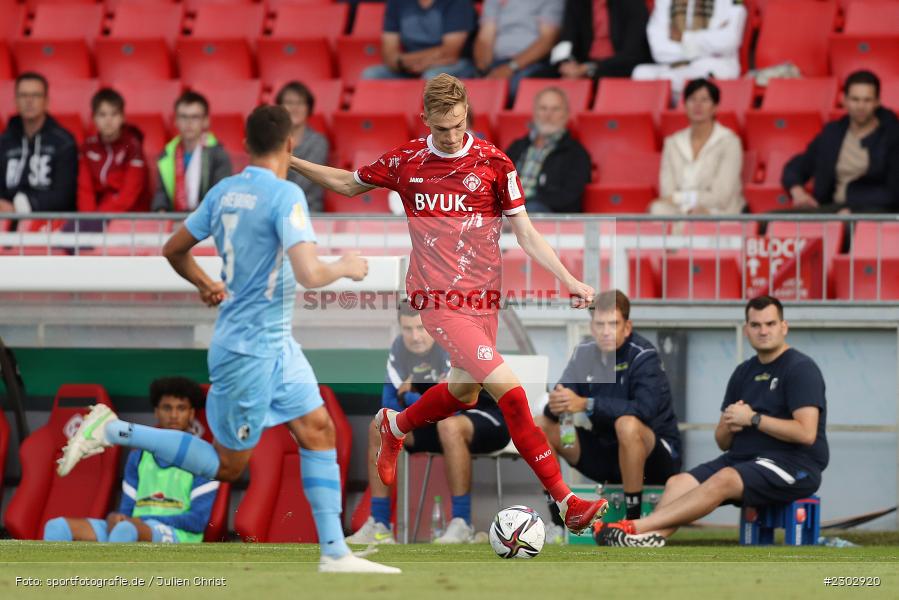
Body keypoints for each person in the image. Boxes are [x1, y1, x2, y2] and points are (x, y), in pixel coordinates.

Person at [57, 105, 398, 574]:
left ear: (245, 144)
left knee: (319, 429)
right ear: (290, 145)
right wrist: (347, 266)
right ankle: (113, 430)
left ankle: (335, 554)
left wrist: (203, 282)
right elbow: (310, 273)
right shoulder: (286, 196)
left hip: (276, 343)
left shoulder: (224, 191)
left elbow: (173, 248)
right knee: (228, 467)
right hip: (248, 351)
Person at [287, 73, 609, 534]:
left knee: (464, 393)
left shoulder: (495, 163)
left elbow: (527, 233)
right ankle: (566, 501)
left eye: (459, 125)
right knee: (514, 396)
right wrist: (292, 161)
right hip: (437, 300)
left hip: (484, 303)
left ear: (467, 114)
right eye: (443, 129)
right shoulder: (408, 161)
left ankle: (396, 427)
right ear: (426, 121)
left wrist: (570, 279)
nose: (453, 136)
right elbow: (348, 183)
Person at [595, 296, 829, 547]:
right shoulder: (743, 372)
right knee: (677, 483)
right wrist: (729, 424)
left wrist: (754, 419)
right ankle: (649, 540)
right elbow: (722, 441)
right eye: (756, 325)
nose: (763, 331)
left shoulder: (800, 368)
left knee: (726, 477)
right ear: (747, 329)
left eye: (770, 324)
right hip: (742, 459)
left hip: (792, 464)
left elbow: (806, 433)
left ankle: (635, 526)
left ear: (784, 327)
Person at [347, 302, 511, 545]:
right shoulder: (398, 349)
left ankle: (462, 523)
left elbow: (451, 405)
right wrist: (410, 398)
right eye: (408, 329)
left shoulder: (452, 344)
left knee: (449, 425)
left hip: (488, 418)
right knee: (378, 426)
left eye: (421, 328)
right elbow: (388, 403)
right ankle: (379, 525)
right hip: (437, 422)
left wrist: (409, 394)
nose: (415, 337)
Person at [537, 290, 681, 524]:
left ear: (627, 326)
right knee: (541, 426)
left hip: (655, 458)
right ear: (592, 327)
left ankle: (632, 523)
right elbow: (561, 399)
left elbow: (645, 410)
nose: (605, 332)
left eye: (613, 324)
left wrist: (586, 404)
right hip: (606, 454)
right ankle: (559, 521)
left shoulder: (644, 356)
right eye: (600, 324)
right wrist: (558, 402)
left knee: (627, 424)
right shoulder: (584, 354)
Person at [44, 378, 216, 544]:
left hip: (178, 534)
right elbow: (126, 511)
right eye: (167, 408)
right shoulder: (139, 456)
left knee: (125, 530)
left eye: (181, 408)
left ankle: (115, 574)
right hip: (133, 527)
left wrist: (139, 520)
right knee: (57, 527)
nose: (173, 415)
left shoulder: (203, 457)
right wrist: (116, 517)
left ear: (191, 413)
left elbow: (197, 521)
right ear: (156, 411)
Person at [782, 70, 899, 214]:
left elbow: (893, 192)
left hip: (873, 213)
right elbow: (797, 166)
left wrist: (855, 210)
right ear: (844, 100)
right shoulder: (832, 133)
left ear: (877, 102)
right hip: (830, 208)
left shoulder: (892, 136)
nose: (860, 106)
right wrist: (797, 191)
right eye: (855, 99)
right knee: (767, 221)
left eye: (867, 100)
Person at [650, 78, 744, 215]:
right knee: (657, 209)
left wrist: (681, 198)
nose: (698, 105)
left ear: (715, 107)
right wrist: (683, 204)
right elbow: (667, 192)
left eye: (705, 100)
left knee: (698, 216)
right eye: (692, 99)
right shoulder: (672, 142)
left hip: (717, 212)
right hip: (680, 210)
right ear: (685, 105)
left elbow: (721, 196)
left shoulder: (729, 142)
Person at [632, 0, 746, 98]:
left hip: (714, 64)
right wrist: (706, 46)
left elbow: (729, 41)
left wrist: (683, 38)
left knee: (668, 79)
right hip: (675, 64)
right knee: (640, 73)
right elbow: (659, 50)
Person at [0, 72, 77, 215]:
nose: (29, 101)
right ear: (15, 100)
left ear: (46, 101)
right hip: (5, 222)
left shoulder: (63, 142)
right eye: (23, 95)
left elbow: (65, 196)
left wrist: (22, 205)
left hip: (49, 223)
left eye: (35, 95)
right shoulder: (4, 142)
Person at [505, 87, 591, 213]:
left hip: (544, 215)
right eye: (543, 108)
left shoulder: (576, 153)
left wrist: (525, 204)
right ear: (534, 113)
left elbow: (568, 198)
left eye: (555, 109)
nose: (548, 114)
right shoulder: (517, 146)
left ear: (566, 114)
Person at [151, 91, 232, 212]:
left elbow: (219, 197)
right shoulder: (166, 155)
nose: (189, 123)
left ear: (206, 121)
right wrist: (160, 212)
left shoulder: (219, 155)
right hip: (174, 222)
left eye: (195, 117)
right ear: (175, 121)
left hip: (206, 224)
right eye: (183, 117)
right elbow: (161, 194)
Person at [362, 0, 477, 81]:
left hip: (455, 65)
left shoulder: (458, 2)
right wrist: (405, 63)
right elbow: (388, 53)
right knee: (371, 75)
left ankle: (430, 116)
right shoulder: (396, 2)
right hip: (408, 67)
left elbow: (450, 53)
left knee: (432, 77)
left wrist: (404, 60)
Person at [473, 0, 565, 101]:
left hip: (532, 63)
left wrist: (511, 67)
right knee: (469, 90)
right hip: (497, 62)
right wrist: (483, 71)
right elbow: (485, 38)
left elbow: (547, 40)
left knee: (512, 89)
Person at [77, 88, 150, 213]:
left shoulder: (133, 146)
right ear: (94, 118)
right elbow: (85, 190)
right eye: (102, 115)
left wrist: (99, 219)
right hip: (94, 217)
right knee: (64, 231)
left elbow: (129, 194)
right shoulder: (88, 147)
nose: (108, 120)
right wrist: (88, 219)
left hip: (129, 216)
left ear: (122, 117)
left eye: (114, 114)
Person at [549, 0, 651, 81]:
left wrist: (589, 68)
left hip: (619, 66)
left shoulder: (631, 3)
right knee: (541, 75)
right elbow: (567, 40)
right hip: (583, 65)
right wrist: (567, 65)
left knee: (606, 73)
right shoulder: (576, 2)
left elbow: (634, 51)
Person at [276, 81, 329, 212]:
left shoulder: (318, 142)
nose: (294, 108)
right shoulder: (273, 141)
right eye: (288, 103)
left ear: (308, 108)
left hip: (308, 210)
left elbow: (306, 181)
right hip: (276, 208)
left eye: (300, 103)